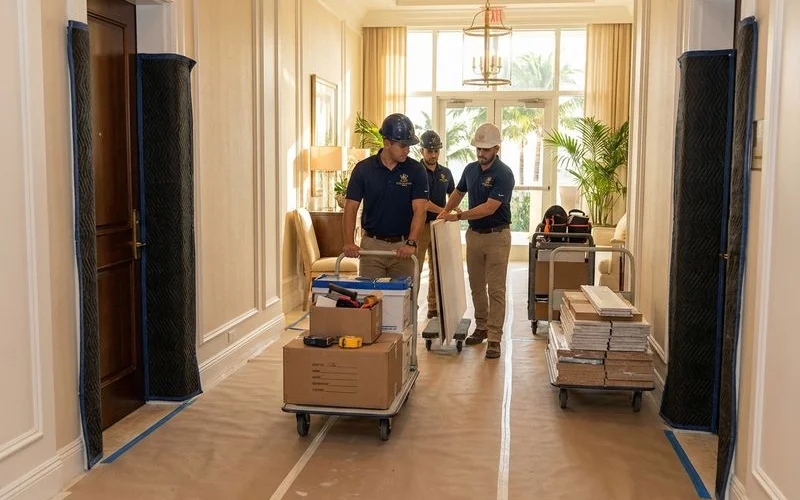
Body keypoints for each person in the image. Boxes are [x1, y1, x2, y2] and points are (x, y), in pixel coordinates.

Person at [438, 122, 514, 359]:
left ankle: (494, 338)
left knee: (496, 289)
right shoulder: (470, 170)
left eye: (486, 149)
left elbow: (490, 208)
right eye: (478, 149)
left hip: (497, 237)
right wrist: (444, 212)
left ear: (496, 148)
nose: (481, 154)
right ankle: (481, 327)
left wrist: (458, 216)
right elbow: (459, 193)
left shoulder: (504, 174)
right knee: (477, 287)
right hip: (474, 237)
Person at [342, 113, 429, 279]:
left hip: (403, 247)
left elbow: (420, 210)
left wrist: (411, 242)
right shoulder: (363, 169)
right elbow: (351, 207)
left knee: (403, 301)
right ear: (387, 143)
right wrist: (348, 242)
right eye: (402, 146)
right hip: (372, 246)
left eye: (409, 146)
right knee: (371, 300)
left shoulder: (416, 170)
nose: (407, 150)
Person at [414, 130, 455, 319]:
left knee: (437, 269)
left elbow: (454, 196)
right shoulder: (414, 171)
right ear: (421, 151)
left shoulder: (445, 173)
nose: (433, 155)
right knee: (415, 267)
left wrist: (456, 212)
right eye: (429, 151)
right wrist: (444, 211)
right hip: (419, 226)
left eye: (436, 151)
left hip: (439, 226)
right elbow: (424, 202)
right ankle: (410, 305)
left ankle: (433, 307)